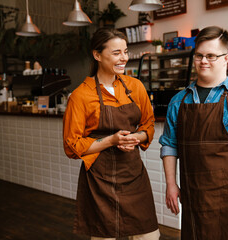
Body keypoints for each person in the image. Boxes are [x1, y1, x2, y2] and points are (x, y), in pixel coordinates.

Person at [159, 26, 228, 239]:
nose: (203, 61)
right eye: (199, 55)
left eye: (211, 55)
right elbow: (170, 146)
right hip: (193, 201)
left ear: (226, 58)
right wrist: (171, 185)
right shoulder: (178, 102)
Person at [63, 28, 160, 240]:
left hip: (134, 174)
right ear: (97, 55)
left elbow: (148, 124)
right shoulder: (80, 96)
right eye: (116, 53)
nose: (123, 58)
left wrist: (137, 138)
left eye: (125, 52)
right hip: (99, 180)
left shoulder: (135, 87)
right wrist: (111, 140)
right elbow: (72, 146)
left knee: (149, 236)